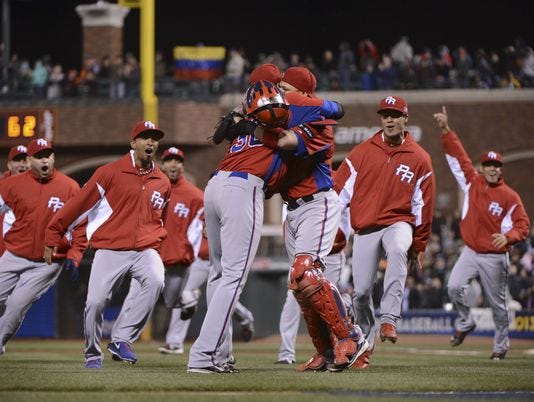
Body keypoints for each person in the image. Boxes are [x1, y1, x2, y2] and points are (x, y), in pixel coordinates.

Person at [44, 121, 171, 369]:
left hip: (145, 249)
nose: (150, 143)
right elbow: (78, 205)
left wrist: (157, 246)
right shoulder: (109, 172)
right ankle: (92, 352)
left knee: (156, 280)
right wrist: (53, 233)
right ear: (133, 143)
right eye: (145, 138)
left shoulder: (162, 181)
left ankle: (122, 338)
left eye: (154, 138)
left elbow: (159, 220)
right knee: (95, 303)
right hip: (111, 248)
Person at [334, 95, 436, 369]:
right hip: (365, 226)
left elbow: (423, 206)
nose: (389, 119)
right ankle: (365, 345)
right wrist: (328, 224)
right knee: (362, 292)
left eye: (395, 114)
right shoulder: (361, 152)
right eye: (385, 114)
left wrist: (421, 243)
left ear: (406, 119)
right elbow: (337, 191)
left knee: (398, 249)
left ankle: (390, 319)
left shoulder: (420, 158)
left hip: (398, 222)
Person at [432, 106, 530, 360]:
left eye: (496, 165)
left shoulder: (510, 197)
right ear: (483, 168)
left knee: (497, 304)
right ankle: (465, 321)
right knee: (453, 287)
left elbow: (523, 226)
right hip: (471, 251)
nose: (493, 169)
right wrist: (445, 129)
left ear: (501, 168)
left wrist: (509, 238)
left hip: (495, 256)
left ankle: (500, 346)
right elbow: (459, 156)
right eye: (488, 165)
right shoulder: (472, 182)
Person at [0, 139, 86, 355]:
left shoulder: (69, 187)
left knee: (17, 305)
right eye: (39, 156)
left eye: (48, 155)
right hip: (14, 254)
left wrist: (75, 254)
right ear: (30, 161)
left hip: (47, 262)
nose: (45, 159)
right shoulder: (11, 185)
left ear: (53, 158)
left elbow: (81, 224)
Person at [159, 235, 255, 355]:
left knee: (222, 298)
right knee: (184, 295)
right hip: (199, 260)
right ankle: (174, 343)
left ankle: (246, 318)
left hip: (221, 261)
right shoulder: (198, 215)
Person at [0, 145, 30, 256]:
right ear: (9, 165)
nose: (22, 164)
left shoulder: (39, 188)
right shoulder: (1, 187)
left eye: (26, 160)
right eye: (17, 160)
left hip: (29, 251)